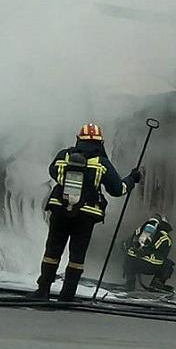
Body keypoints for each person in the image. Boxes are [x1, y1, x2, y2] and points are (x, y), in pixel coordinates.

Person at [31, 123, 141, 301]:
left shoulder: (64, 155)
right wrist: (132, 179)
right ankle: (67, 295)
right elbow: (117, 189)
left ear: (78, 139)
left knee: (52, 251)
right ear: (100, 143)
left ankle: (42, 290)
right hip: (85, 216)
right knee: (77, 255)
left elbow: (52, 171)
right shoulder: (101, 163)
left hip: (60, 210)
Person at [122, 213, 175, 292]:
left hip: (133, 261)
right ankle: (157, 283)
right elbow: (162, 255)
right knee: (168, 265)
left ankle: (130, 281)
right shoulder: (165, 238)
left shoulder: (140, 230)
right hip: (149, 265)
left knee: (129, 255)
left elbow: (126, 244)